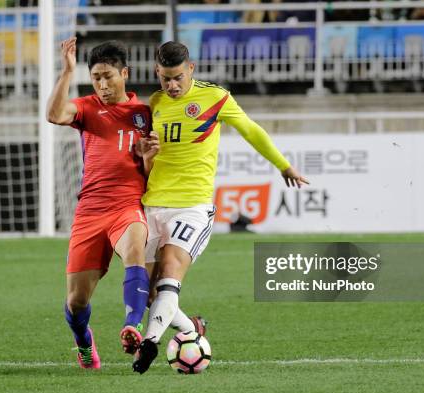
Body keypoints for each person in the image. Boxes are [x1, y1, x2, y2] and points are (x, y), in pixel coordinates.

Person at [132, 41, 309, 374]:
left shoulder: (215, 98)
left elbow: (250, 130)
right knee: (149, 293)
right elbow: (144, 165)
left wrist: (283, 165)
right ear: (157, 72)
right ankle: (189, 330)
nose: (172, 86)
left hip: (192, 207)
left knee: (171, 269)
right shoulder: (153, 105)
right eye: (166, 78)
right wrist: (146, 155)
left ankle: (150, 342)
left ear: (192, 69)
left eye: (178, 78)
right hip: (152, 205)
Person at [46, 37, 159, 369]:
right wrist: (68, 71)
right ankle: (84, 343)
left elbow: (153, 174)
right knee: (77, 301)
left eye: (109, 76)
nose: (103, 84)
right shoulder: (86, 107)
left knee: (136, 249)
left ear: (125, 73)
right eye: (96, 77)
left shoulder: (145, 114)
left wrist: (149, 157)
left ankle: (132, 325)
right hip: (90, 211)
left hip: (128, 206)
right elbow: (54, 114)